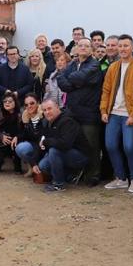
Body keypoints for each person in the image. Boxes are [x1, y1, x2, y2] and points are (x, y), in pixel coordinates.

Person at [101, 34, 133, 193]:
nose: (122, 49)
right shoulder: (113, 67)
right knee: (111, 145)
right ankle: (121, 178)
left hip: (129, 114)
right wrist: (104, 110)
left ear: (132, 47)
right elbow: (106, 90)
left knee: (129, 146)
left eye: (126, 46)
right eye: (120, 46)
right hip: (113, 113)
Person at [57, 38, 103, 187]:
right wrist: (75, 83)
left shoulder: (95, 65)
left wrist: (73, 81)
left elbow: (77, 77)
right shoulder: (72, 64)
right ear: (76, 48)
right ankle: (77, 173)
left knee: (91, 145)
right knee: (74, 144)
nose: (83, 48)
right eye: (80, 45)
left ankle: (93, 175)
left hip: (89, 113)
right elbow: (60, 79)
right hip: (73, 112)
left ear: (91, 50)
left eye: (86, 46)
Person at [34, 99, 90, 193]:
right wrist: (34, 163)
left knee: (54, 151)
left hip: (80, 156)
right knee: (43, 165)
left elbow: (65, 144)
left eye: (49, 109)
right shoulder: (48, 122)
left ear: (57, 107)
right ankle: (70, 176)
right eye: (44, 110)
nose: (47, 112)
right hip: (65, 154)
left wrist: (46, 142)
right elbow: (45, 142)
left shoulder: (67, 121)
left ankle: (59, 184)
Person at [0, 92, 23, 173]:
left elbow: (24, 131)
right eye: (5, 101)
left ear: (15, 102)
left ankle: (17, 166)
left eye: (10, 101)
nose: (7, 103)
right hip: (0, 143)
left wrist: (17, 137)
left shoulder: (20, 114)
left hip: (15, 143)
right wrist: (0, 137)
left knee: (19, 146)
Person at [15, 93, 46, 176]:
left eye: (32, 103)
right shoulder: (24, 117)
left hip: (45, 147)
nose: (29, 106)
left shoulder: (45, 115)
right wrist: (17, 137)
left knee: (44, 167)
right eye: (26, 104)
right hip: (34, 145)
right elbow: (22, 134)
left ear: (38, 103)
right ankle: (31, 167)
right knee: (20, 148)